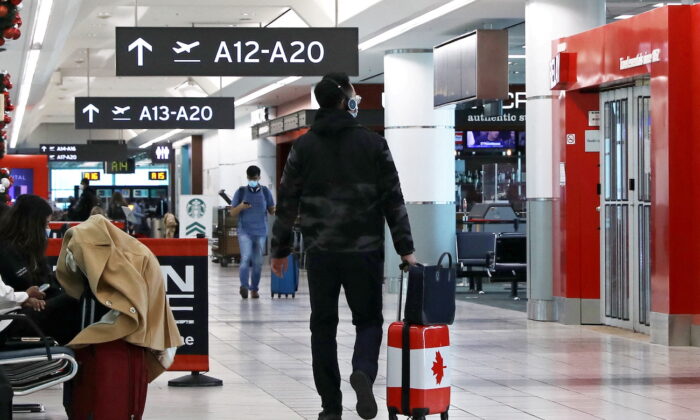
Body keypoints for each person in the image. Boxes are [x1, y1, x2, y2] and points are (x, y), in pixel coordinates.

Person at [270, 72, 416, 420]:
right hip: (364, 251)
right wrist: (405, 248)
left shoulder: (303, 146)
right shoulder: (373, 143)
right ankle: (363, 370)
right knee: (368, 321)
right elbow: (392, 200)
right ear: (345, 100)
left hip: (321, 252)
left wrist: (279, 249)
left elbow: (287, 200)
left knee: (323, 326)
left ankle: (330, 407)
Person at [0, 195, 81, 345]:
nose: (48, 229)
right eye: (46, 224)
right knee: (74, 301)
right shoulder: (6, 251)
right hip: (11, 321)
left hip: (21, 310)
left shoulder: (29, 250)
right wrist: (25, 297)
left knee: (75, 297)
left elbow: (45, 282)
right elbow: (7, 295)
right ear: (33, 224)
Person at [229, 165, 275, 299]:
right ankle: (244, 286)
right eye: (250, 178)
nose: (252, 180)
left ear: (259, 177)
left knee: (258, 263)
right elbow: (232, 212)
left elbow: (271, 210)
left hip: (260, 232)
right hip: (245, 232)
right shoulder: (241, 191)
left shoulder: (265, 192)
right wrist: (241, 206)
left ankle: (254, 289)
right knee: (245, 258)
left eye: (255, 178)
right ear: (247, 177)